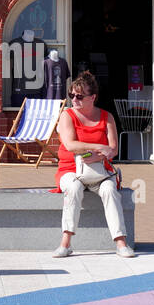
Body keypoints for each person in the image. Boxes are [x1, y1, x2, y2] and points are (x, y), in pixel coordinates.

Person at [53, 70, 134, 259]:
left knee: (109, 190)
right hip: (70, 168)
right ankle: (65, 243)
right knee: (73, 188)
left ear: (93, 97)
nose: (74, 99)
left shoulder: (107, 117)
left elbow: (113, 149)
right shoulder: (67, 115)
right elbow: (71, 145)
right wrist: (98, 147)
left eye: (79, 96)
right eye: (72, 95)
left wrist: (99, 156)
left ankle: (121, 243)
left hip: (100, 171)